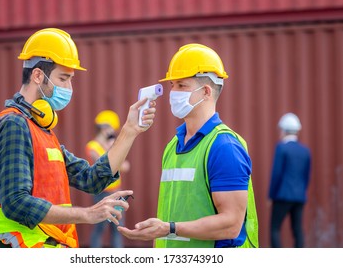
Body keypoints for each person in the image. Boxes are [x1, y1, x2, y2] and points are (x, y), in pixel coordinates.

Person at [0, 28, 156, 248]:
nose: (69, 88)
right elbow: (15, 203)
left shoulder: (41, 130)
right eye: (63, 78)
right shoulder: (13, 125)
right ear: (37, 75)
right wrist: (86, 214)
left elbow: (91, 179)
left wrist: (129, 130)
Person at [118, 43, 259, 248]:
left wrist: (169, 228)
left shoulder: (224, 147)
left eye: (182, 86)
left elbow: (231, 225)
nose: (173, 92)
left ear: (206, 92)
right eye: (172, 85)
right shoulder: (173, 145)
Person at [86, 110, 131, 248]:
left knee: (118, 227)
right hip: (103, 194)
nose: (113, 132)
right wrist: (111, 146)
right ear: (104, 128)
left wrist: (112, 147)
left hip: (117, 193)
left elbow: (125, 166)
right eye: (111, 129)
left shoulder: (112, 147)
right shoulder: (92, 146)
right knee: (100, 227)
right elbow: (107, 165)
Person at [269, 113, 311, 248]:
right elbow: (306, 176)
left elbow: (277, 174)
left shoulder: (281, 148)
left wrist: (271, 195)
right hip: (299, 197)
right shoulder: (305, 151)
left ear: (283, 130)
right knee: (297, 229)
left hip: (282, 195)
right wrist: (302, 193)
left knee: (275, 228)